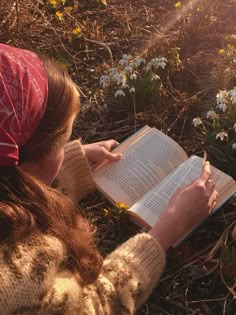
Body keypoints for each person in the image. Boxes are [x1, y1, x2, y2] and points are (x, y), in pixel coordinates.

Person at [0, 43, 218, 315]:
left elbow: (15, 182)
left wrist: (73, 162)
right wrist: (167, 230)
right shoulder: (19, 275)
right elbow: (94, 305)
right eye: (63, 141)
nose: (69, 145)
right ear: (24, 157)